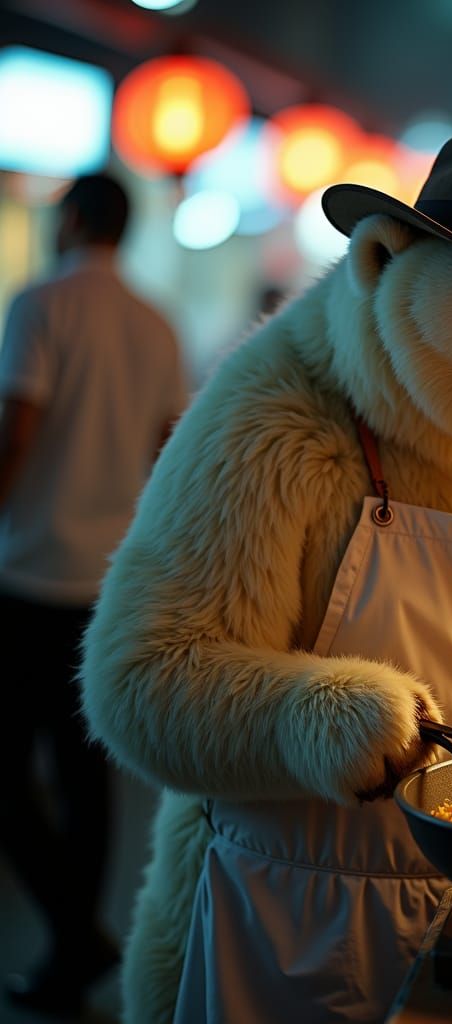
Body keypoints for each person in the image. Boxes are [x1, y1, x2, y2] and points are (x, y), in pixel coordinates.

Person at [0, 172, 189, 1015]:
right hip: (108, 585)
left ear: (72, 219)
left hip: (31, 574)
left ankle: (72, 938)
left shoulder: (40, 305)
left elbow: (17, 430)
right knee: (85, 779)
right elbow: (165, 453)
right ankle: (76, 941)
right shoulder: (156, 324)